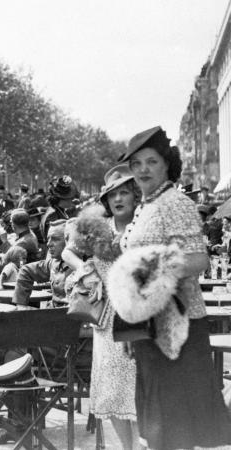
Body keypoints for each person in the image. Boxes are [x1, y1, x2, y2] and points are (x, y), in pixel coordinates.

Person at [112, 126, 231, 449]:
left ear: (166, 164)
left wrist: (149, 271)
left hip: (179, 323)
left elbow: (197, 260)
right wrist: (131, 322)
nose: (142, 170)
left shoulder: (175, 202)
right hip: (149, 324)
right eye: (136, 164)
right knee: (158, 423)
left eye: (150, 162)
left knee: (174, 424)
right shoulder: (147, 205)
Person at [62, 165, 140, 449]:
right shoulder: (97, 229)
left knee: (137, 393)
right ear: (106, 201)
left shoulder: (144, 227)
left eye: (124, 193)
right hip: (106, 322)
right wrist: (87, 269)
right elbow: (67, 250)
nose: (118, 199)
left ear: (135, 196)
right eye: (112, 195)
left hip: (139, 317)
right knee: (112, 392)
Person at [12, 220, 71, 306]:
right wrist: (21, 305)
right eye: (48, 239)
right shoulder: (53, 263)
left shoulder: (84, 265)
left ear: (70, 241)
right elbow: (26, 270)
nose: (48, 244)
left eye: (55, 239)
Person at [40, 175, 79, 242]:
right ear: (61, 199)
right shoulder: (52, 215)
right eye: (70, 199)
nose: (71, 201)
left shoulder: (58, 210)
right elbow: (54, 239)